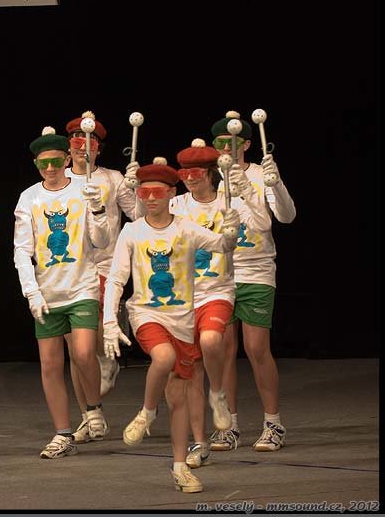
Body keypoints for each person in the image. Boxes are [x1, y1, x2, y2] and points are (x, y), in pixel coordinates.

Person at [101, 158, 239, 493]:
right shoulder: (133, 231)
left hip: (182, 321)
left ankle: (180, 467)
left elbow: (221, 246)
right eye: (144, 192)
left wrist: (231, 232)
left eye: (157, 193)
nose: (150, 198)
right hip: (146, 314)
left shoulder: (187, 229)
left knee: (178, 397)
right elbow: (116, 279)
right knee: (162, 358)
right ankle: (147, 413)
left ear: (171, 194)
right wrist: (109, 321)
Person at [171, 138, 272, 468]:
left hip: (225, 286)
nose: (189, 177)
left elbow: (264, 224)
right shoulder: (178, 204)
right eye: (184, 172)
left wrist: (249, 194)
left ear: (211, 173)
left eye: (196, 172)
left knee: (238, 346)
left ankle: (270, 421)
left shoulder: (230, 200)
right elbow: (145, 223)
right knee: (196, 364)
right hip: (190, 293)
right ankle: (211, 435)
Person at [13, 126, 110, 458]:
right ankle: (63, 433)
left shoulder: (85, 189)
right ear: (36, 165)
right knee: (50, 365)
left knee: (83, 353)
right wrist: (32, 292)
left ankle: (93, 408)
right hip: (47, 290)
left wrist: (98, 210)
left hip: (81, 285)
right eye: (44, 164)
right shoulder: (29, 198)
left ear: (67, 159)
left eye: (56, 161)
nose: (51, 168)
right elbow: (21, 250)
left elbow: (101, 241)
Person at [208, 111, 297, 453]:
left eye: (231, 142)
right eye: (220, 143)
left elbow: (286, 217)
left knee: (257, 348)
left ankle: (273, 423)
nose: (225, 148)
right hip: (219, 273)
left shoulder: (261, 174)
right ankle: (228, 426)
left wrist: (277, 184)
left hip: (256, 270)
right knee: (222, 350)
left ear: (246, 144)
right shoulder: (209, 179)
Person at [62, 111, 137, 444]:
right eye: (77, 141)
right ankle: (88, 415)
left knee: (89, 342)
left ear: (99, 149)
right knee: (75, 353)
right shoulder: (60, 179)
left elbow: (138, 216)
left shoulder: (112, 178)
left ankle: (108, 360)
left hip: (104, 266)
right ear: (69, 146)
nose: (82, 147)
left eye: (89, 142)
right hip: (66, 271)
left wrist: (135, 188)